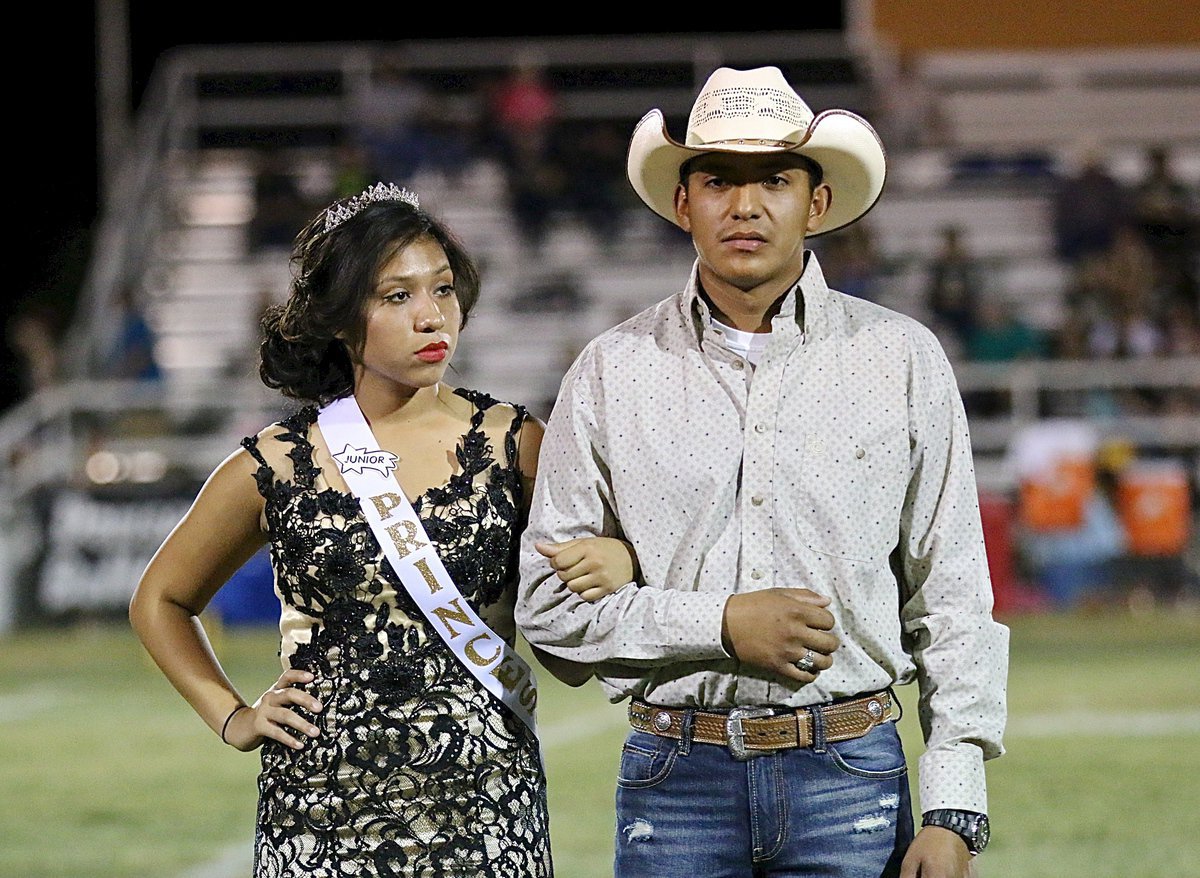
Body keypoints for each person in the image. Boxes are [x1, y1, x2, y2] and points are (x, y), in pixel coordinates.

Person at [517, 66, 1009, 878]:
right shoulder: (608, 371)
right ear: (684, 203)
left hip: (853, 775)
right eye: (717, 180)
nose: (745, 206)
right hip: (673, 780)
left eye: (774, 179)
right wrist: (720, 622)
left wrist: (955, 807)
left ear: (816, 203)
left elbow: (952, 592)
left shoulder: (902, 359)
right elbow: (546, 608)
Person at [128, 182, 639, 876]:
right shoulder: (278, 462)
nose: (432, 317)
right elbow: (160, 599)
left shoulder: (517, 443)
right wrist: (233, 715)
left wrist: (615, 559)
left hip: (486, 804)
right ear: (343, 319)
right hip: (319, 809)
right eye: (397, 297)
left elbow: (574, 637)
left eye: (442, 291)